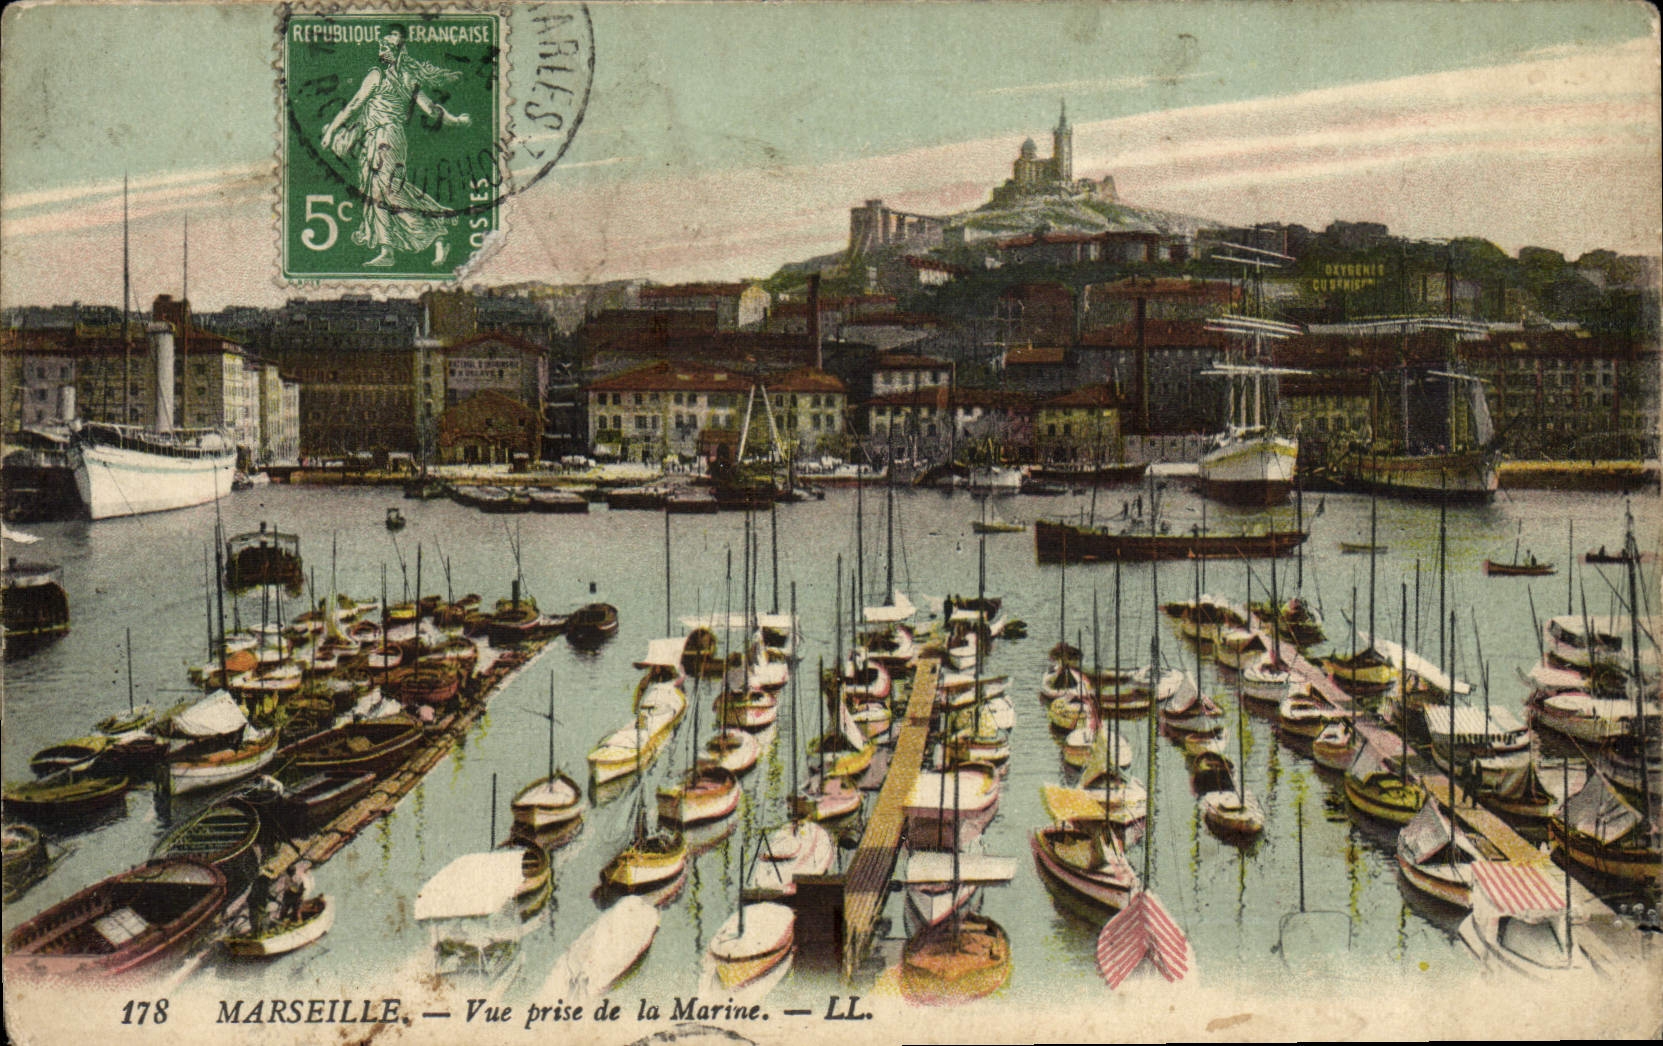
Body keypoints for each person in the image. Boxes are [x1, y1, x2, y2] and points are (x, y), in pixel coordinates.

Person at [318, 25, 471, 268]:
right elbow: (430, 110)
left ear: (397, 50)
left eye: (388, 45)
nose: (383, 49)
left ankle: (436, 235)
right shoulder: (397, 77)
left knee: (387, 192)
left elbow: (354, 106)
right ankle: (388, 249)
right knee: (379, 192)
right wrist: (456, 119)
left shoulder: (387, 77)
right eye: (383, 44)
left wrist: (333, 130)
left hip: (386, 139)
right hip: (381, 139)